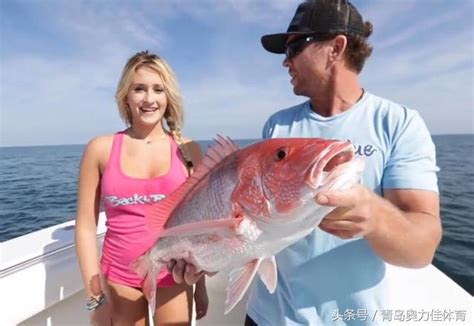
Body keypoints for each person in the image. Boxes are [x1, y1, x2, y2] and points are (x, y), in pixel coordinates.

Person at [171, 1, 442, 325]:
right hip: (269, 317)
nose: (286, 61)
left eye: (296, 46)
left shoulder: (398, 123)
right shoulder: (278, 128)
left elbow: (422, 249)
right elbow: (261, 232)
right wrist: (211, 254)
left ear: (335, 48)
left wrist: (373, 216)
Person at [75, 51, 208, 326]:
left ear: (168, 96)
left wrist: (201, 286)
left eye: (158, 89)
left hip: (174, 273)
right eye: (139, 89)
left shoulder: (189, 150)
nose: (149, 99)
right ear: (126, 96)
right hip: (120, 276)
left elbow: (198, 225)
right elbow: (86, 226)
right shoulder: (100, 149)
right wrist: (95, 298)